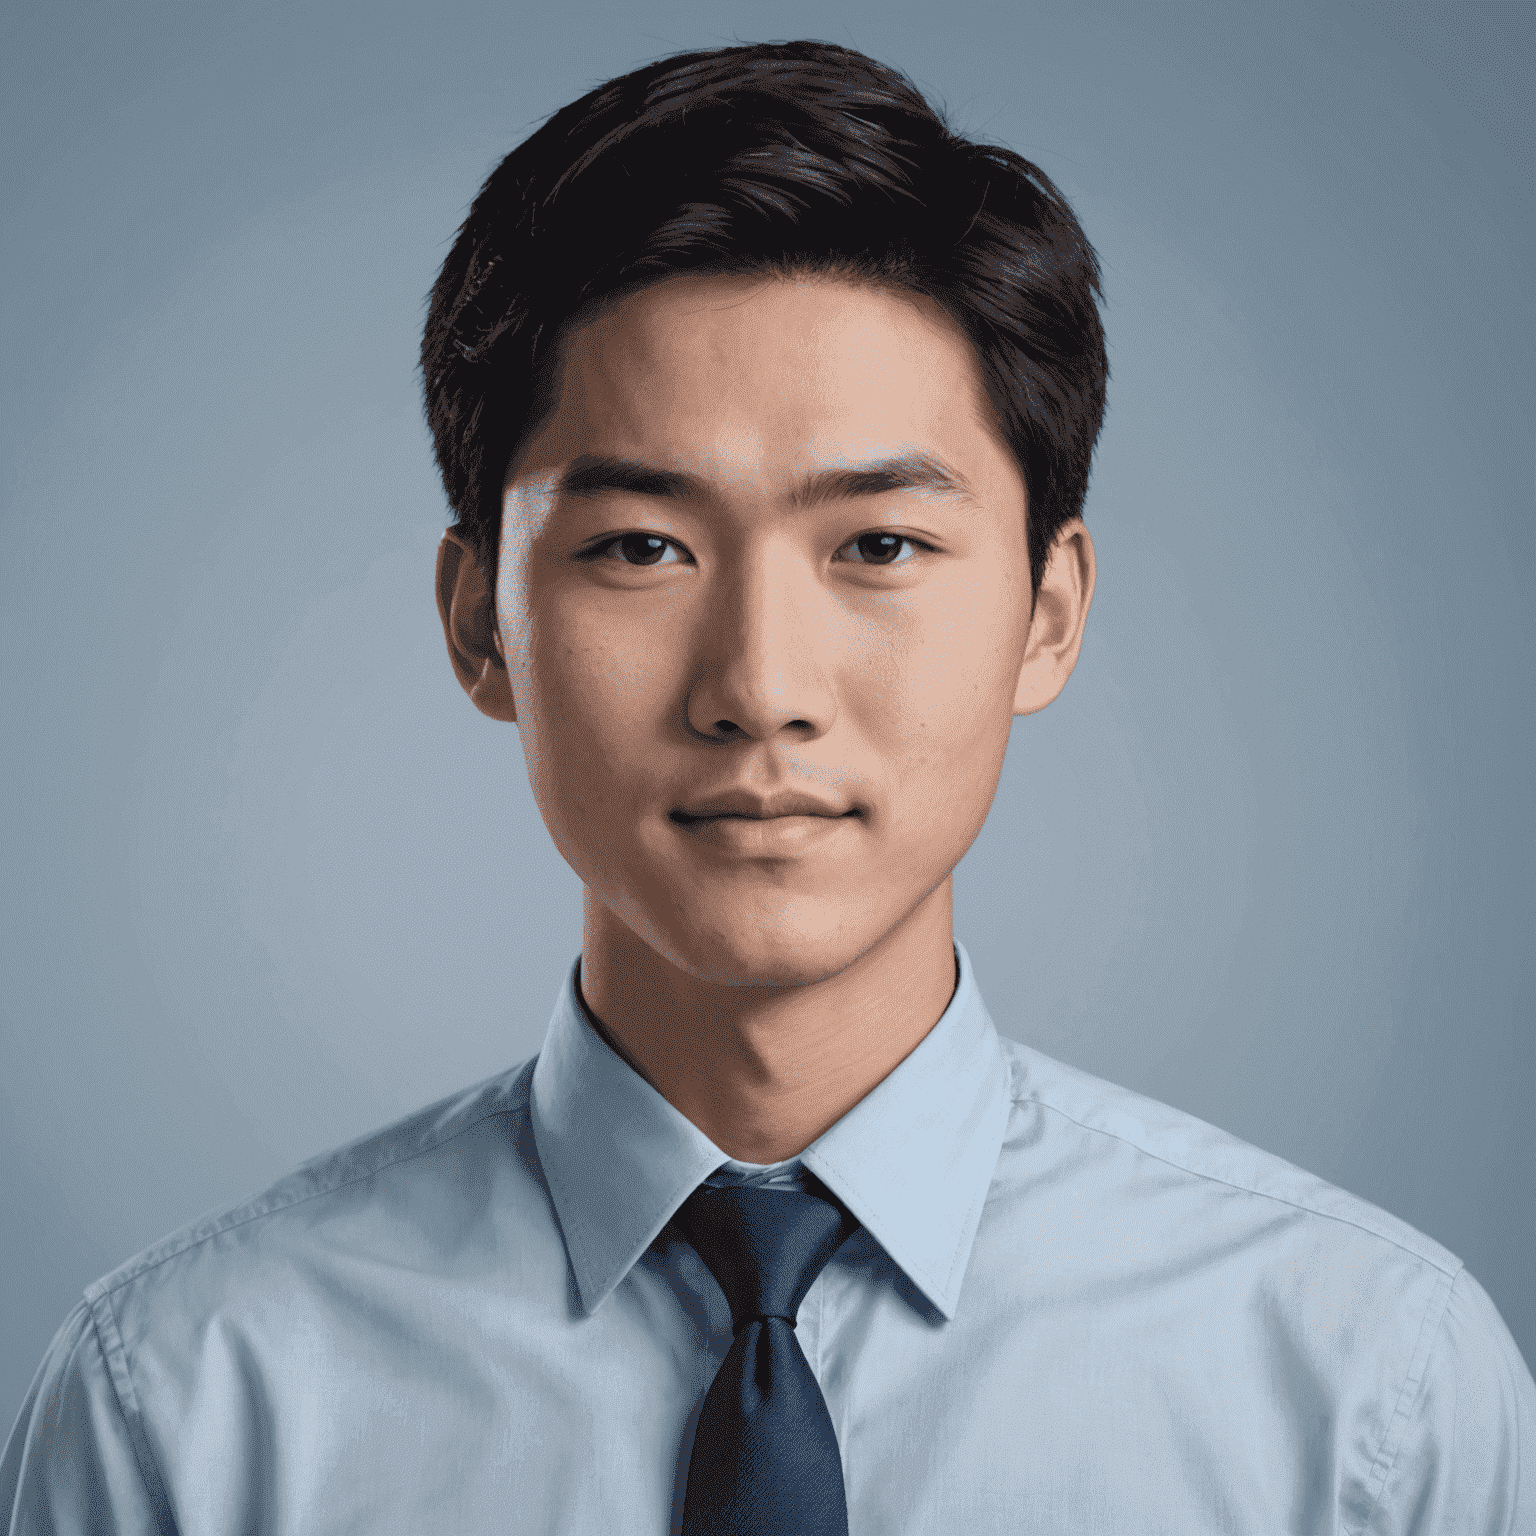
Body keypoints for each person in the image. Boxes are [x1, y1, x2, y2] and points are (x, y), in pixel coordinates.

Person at [4, 38, 1531, 1535]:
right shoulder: (194, 1406)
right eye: (639, 548)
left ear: (1047, 613)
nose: (759, 689)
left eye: (879, 545)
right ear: (481, 624)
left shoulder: (1364, 1391)